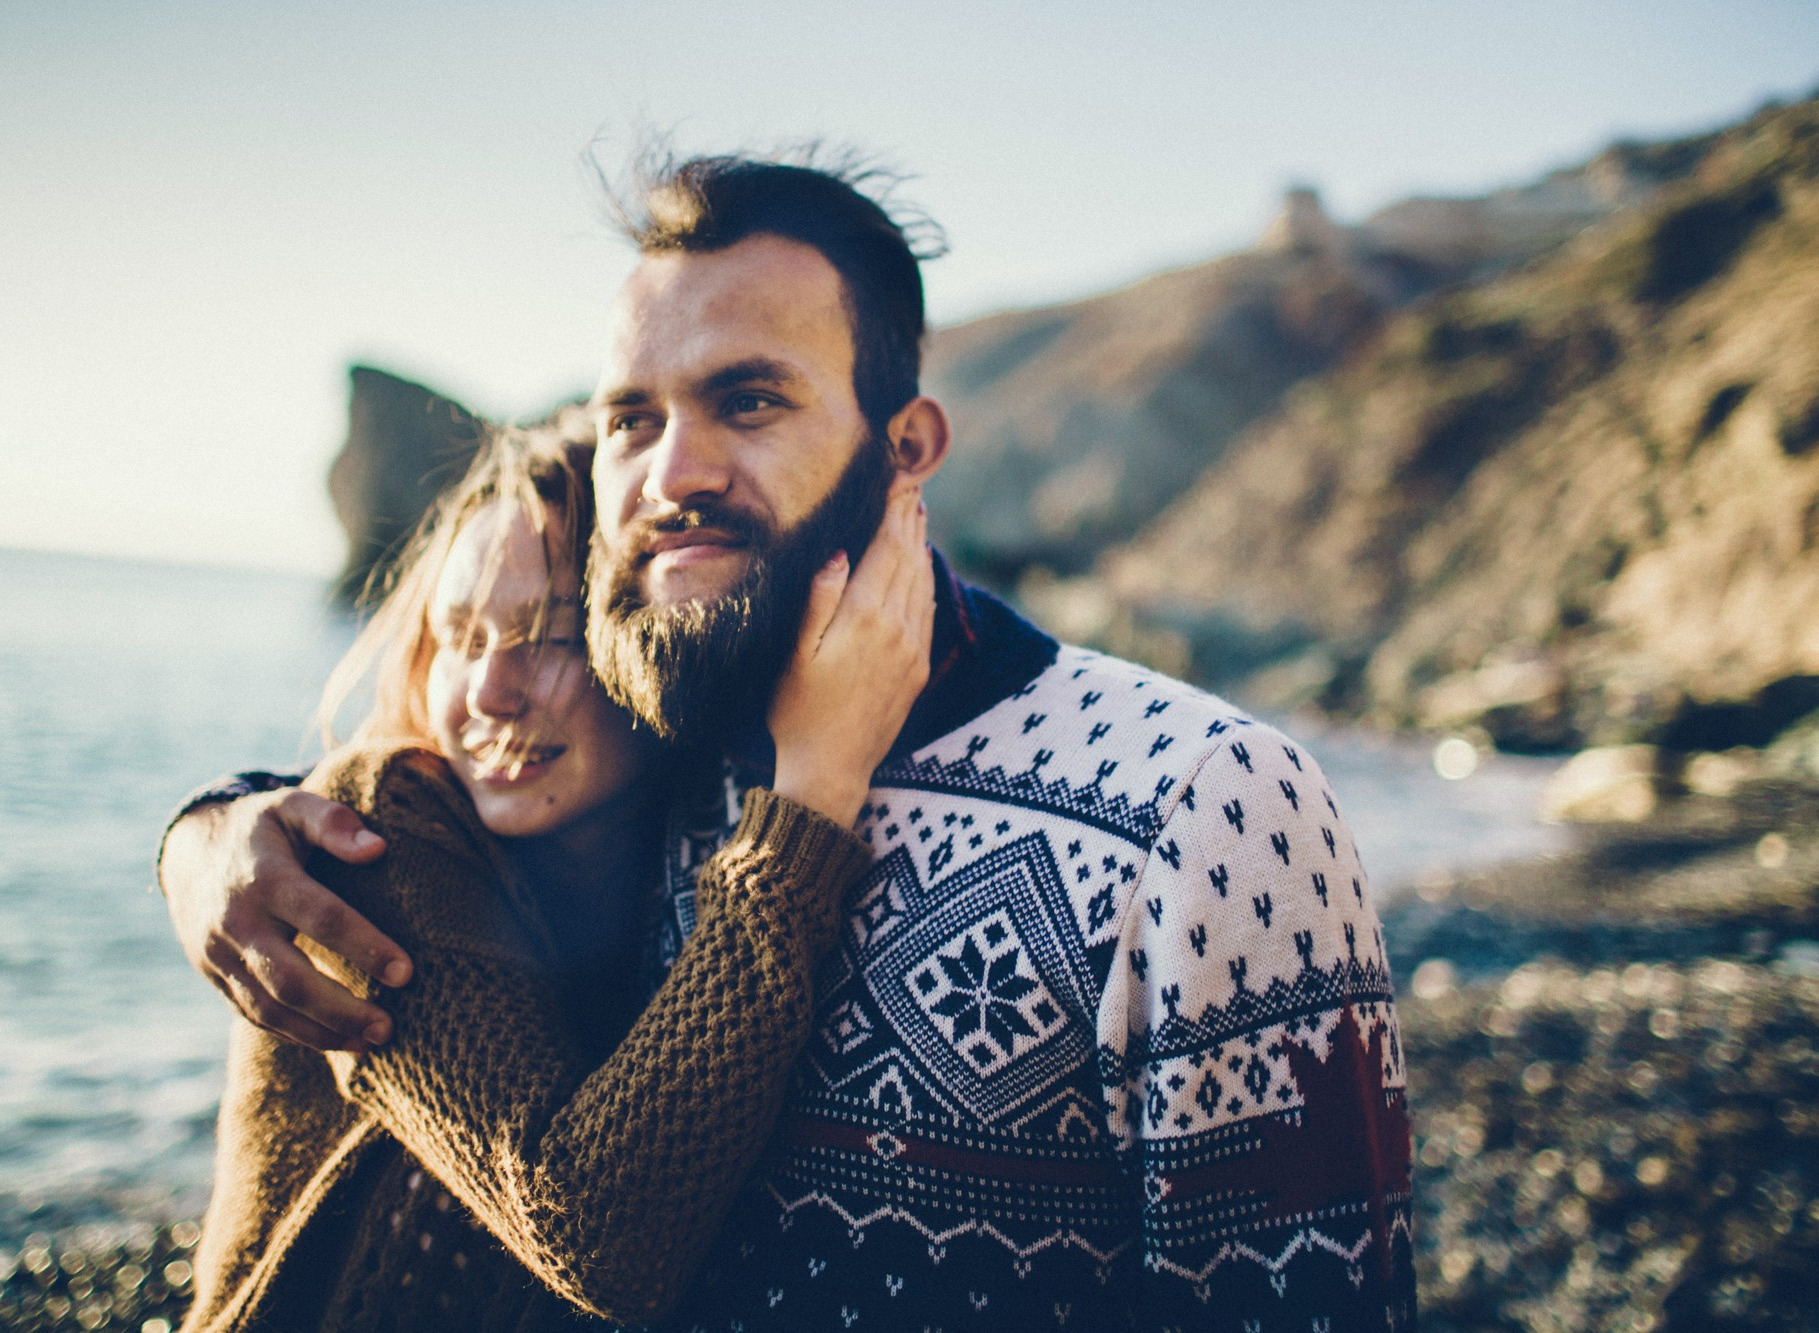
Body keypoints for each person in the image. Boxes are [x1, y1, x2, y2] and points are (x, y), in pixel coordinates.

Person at [162, 152, 1417, 1330]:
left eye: (748, 400)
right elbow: (414, 813)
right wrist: (213, 828)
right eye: (631, 419)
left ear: (907, 445)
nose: (674, 473)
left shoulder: (1200, 801)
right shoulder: (664, 747)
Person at [179, 428, 937, 1332]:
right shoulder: (377, 828)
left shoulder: (684, 829)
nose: (488, 692)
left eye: (550, 637)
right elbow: (595, 1234)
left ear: (655, 649)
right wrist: (815, 792)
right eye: (461, 638)